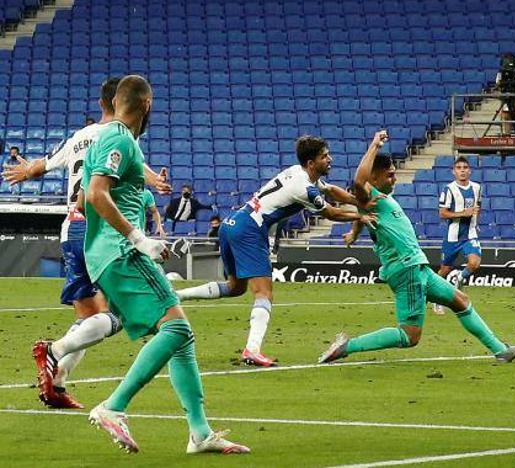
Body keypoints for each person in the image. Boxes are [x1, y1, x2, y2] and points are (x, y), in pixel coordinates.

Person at [81, 74, 248, 454]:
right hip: (121, 252)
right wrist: (138, 238)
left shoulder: (108, 140)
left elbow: (81, 200)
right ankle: (113, 406)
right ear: (147, 104)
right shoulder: (119, 138)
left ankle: (199, 432)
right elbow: (95, 193)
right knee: (174, 328)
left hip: (106, 254)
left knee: (181, 337)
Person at [2, 76, 171, 409]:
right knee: (119, 314)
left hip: (71, 229)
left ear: (100, 104)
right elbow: (133, 166)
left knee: (88, 315)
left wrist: (26, 172)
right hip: (101, 231)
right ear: (124, 102)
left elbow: (44, 165)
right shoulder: (119, 137)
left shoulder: (79, 137)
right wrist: (156, 182)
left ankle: (57, 380)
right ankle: (53, 351)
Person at [319, 130, 515, 364]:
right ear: (375, 178)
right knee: (409, 336)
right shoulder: (370, 196)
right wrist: (375, 145)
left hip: (417, 267)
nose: (394, 179)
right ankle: (347, 346)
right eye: (390, 175)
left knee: (461, 300)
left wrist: (354, 233)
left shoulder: (376, 201)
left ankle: (501, 350)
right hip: (406, 269)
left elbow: (359, 211)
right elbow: (359, 182)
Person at [174, 135, 378, 367]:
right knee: (264, 294)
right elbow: (331, 213)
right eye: (324, 157)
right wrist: (360, 215)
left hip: (232, 224)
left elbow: (330, 189)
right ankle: (252, 350)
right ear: (311, 163)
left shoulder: (298, 172)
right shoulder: (304, 189)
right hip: (249, 231)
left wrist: (356, 201)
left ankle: (176, 296)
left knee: (235, 287)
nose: (330, 159)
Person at [433, 156, 483, 315]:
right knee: (444, 269)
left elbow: (477, 206)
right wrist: (463, 213)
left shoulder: (477, 187)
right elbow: (442, 213)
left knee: (474, 263)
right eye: (459, 168)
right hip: (452, 237)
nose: (462, 170)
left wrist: (476, 222)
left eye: (465, 167)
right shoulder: (449, 189)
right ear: (454, 172)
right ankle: (435, 299)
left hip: (470, 235)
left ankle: (459, 279)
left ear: (470, 171)